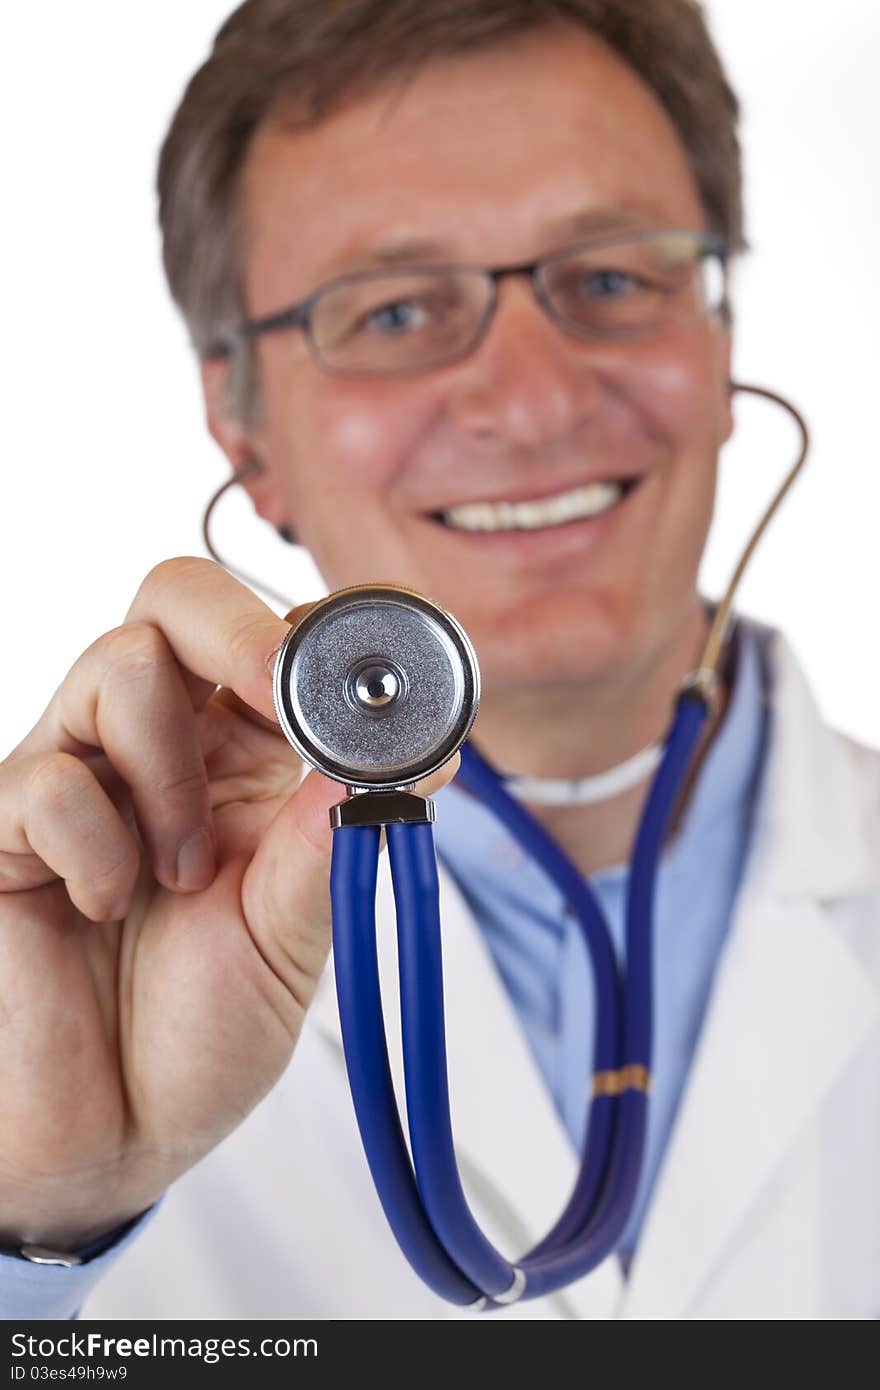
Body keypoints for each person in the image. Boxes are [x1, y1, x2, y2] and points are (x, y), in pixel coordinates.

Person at [1, 0, 878, 1321]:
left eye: (612, 278)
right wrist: (42, 1217)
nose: (532, 401)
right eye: (397, 309)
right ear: (241, 426)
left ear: (719, 340)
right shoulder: (84, 943)